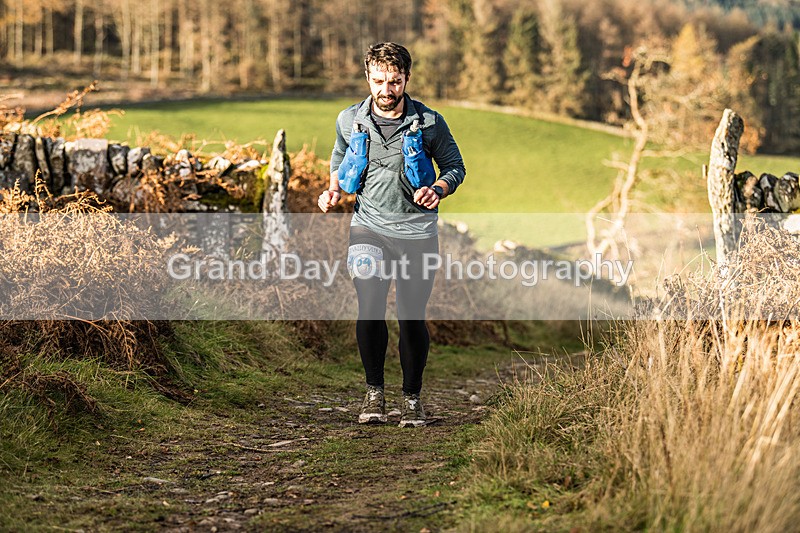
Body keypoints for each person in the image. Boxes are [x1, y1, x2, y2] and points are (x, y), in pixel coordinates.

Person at [318, 42, 465, 428]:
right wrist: (333, 188)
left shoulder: (430, 122)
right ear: (368, 78)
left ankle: (412, 399)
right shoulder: (349, 119)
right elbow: (339, 156)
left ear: (407, 79)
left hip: (417, 233)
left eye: (395, 81)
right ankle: (374, 394)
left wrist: (440, 189)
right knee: (369, 306)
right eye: (380, 80)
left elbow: (454, 166)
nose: (387, 89)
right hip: (368, 227)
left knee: (411, 316)